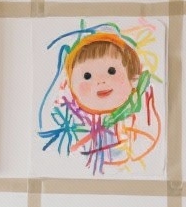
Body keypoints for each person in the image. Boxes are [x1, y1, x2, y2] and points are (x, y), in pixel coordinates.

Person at [38, 28, 161, 175]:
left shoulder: (138, 122)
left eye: (111, 71)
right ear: (71, 86)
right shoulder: (73, 126)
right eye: (87, 75)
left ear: (133, 79)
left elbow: (145, 150)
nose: (100, 81)